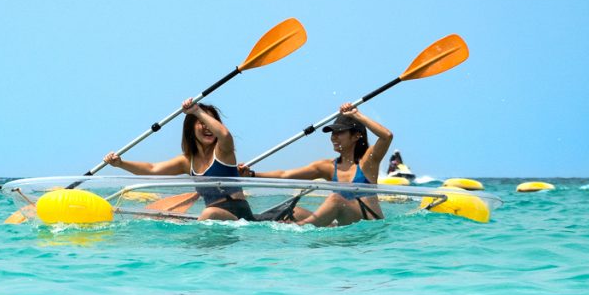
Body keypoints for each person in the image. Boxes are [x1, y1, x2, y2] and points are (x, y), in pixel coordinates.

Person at [238, 104, 393, 227]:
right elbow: (285, 175)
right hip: (344, 226)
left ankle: (297, 228)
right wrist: (251, 174)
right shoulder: (327, 167)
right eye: (332, 133)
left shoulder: (368, 162)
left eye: (340, 133)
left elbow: (386, 136)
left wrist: (356, 115)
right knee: (294, 211)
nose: (334, 137)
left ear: (356, 136)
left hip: (370, 225)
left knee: (336, 199)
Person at [103, 99, 255, 221]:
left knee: (209, 213)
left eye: (210, 122)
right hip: (214, 219)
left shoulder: (223, 151)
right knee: (171, 219)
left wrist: (197, 111)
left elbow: (225, 135)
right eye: (202, 123)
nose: (208, 127)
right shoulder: (187, 162)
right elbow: (152, 169)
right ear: (191, 128)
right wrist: (120, 164)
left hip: (239, 216)